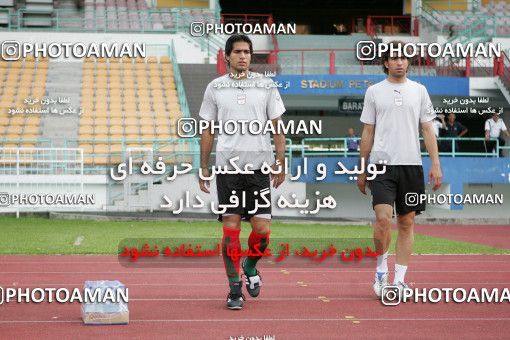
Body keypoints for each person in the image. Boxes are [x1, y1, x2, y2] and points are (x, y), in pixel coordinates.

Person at [198, 34, 286, 310]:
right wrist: (203, 167)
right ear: (227, 56)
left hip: (259, 169)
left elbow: (277, 126)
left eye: (247, 52)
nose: (243, 56)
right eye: (237, 52)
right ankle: (235, 288)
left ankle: (249, 266)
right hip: (227, 169)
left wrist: (280, 161)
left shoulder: (266, 86)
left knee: (262, 230)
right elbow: (208, 130)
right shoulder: (215, 88)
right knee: (231, 228)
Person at [357, 41, 442, 297]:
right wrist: (362, 168)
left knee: (406, 222)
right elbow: (367, 131)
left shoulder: (419, 90)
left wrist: (435, 164)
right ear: (385, 63)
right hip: (381, 165)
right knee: (383, 219)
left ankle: (400, 280)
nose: (400, 62)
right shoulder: (374, 92)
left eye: (404, 58)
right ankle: (381, 272)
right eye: (394, 58)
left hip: (412, 166)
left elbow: (428, 129)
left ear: (409, 62)